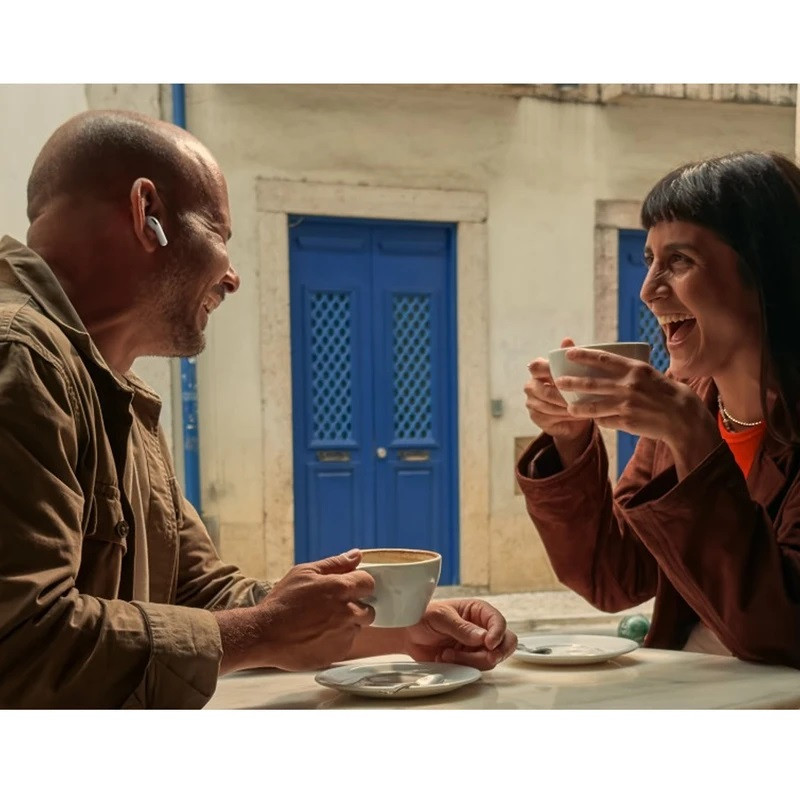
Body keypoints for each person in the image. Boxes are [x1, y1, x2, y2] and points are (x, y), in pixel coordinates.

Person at [0, 110, 516, 709]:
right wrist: (266, 630)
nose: (232, 276)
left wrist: (398, 627)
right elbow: (22, 642)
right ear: (147, 214)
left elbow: (197, 594)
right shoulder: (19, 357)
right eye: (219, 234)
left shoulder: (115, 392)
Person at [516, 150, 800, 669]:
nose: (648, 290)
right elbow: (614, 574)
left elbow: (783, 633)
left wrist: (695, 440)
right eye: (649, 260)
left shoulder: (684, 415)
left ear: (765, 271)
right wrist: (569, 439)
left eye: (679, 261)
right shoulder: (687, 399)